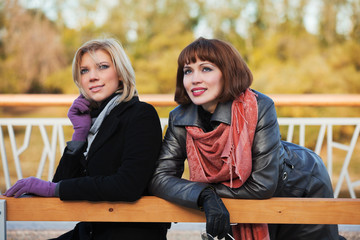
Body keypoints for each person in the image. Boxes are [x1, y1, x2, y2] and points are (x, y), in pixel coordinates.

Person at [149, 37, 341, 240]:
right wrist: (204, 196)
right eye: (188, 71)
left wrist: (204, 192)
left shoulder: (259, 106)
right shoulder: (180, 117)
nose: (195, 79)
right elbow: (160, 178)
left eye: (206, 69)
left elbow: (262, 185)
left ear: (228, 73)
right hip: (237, 196)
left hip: (300, 184)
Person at [4, 38, 169, 239]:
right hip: (90, 230)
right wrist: (79, 134)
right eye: (85, 70)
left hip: (128, 232)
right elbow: (63, 183)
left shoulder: (140, 114)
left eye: (102, 67)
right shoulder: (95, 120)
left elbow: (128, 186)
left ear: (120, 73)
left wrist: (51, 188)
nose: (92, 77)